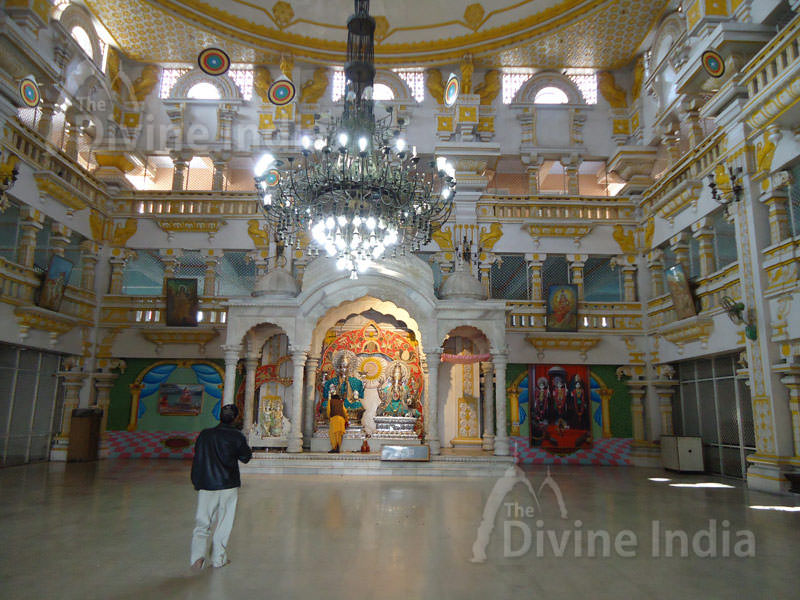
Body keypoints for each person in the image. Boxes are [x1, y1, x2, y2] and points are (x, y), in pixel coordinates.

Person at [190, 404, 252, 571]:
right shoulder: (236, 436)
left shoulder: (205, 435)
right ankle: (218, 558)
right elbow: (246, 457)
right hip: (227, 483)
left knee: (202, 521)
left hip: (207, 483)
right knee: (224, 521)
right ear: (236, 418)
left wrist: (196, 480)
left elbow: (198, 458)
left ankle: (197, 557)